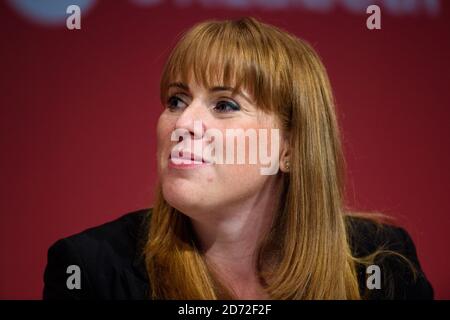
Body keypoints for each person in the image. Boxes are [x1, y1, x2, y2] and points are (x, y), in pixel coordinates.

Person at [43, 17, 433, 300]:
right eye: (176, 100)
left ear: (290, 148)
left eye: (225, 105)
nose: (184, 122)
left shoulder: (382, 266)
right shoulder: (92, 270)